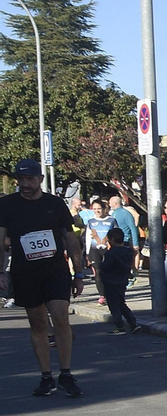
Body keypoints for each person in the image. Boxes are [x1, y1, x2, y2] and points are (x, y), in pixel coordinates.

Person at [0, 159, 87, 397]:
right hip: (25, 272)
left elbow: (71, 239)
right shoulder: (7, 205)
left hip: (56, 270)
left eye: (29, 179)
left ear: (40, 179)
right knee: (38, 324)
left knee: (60, 317)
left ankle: (66, 374)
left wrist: (78, 274)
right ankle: (46, 377)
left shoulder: (55, 204)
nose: (25, 184)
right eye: (21, 179)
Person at [97, 226, 142, 333]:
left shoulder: (111, 253)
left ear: (112, 240)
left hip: (111, 281)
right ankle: (133, 323)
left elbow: (106, 266)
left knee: (114, 305)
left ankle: (119, 326)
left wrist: (100, 265)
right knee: (121, 303)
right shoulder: (128, 252)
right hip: (122, 280)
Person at [83, 198, 115, 301]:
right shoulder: (91, 222)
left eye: (99, 209)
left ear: (104, 209)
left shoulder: (111, 220)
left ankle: (111, 293)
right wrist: (87, 252)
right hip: (94, 249)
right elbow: (88, 237)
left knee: (109, 272)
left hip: (108, 249)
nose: (97, 211)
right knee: (98, 272)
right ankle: (102, 295)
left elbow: (116, 234)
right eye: (95, 209)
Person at [106, 193, 141, 278]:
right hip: (114, 241)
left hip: (124, 240)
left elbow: (132, 227)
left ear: (115, 203)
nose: (109, 205)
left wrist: (135, 243)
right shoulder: (114, 213)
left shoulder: (126, 213)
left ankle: (130, 274)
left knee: (124, 260)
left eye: (110, 203)